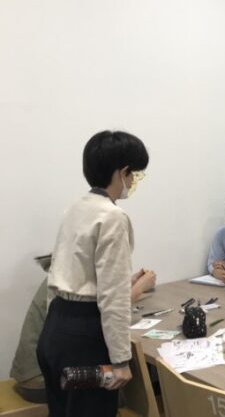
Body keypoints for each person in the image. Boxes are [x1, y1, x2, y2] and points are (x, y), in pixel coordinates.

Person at [37, 130, 149, 417]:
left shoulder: (75, 208)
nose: (133, 182)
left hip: (55, 327)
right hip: (86, 335)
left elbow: (59, 272)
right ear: (123, 172)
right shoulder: (113, 216)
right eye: (134, 174)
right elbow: (113, 296)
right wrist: (121, 360)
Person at [11, 258, 156, 404]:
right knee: (129, 393)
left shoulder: (66, 270)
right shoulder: (73, 279)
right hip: (42, 381)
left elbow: (101, 300)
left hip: (38, 372)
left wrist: (131, 283)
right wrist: (139, 288)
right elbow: (106, 315)